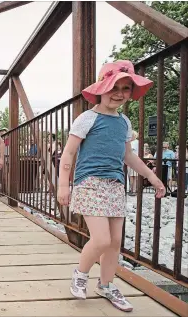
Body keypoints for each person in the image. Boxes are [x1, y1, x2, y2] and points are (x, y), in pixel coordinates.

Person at [57, 60, 165, 312]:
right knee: (102, 239)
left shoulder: (124, 123)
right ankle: (81, 274)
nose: (119, 94)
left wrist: (152, 177)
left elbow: (129, 156)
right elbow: (69, 153)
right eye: (113, 87)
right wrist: (64, 185)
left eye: (126, 88)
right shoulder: (87, 118)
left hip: (115, 184)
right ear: (101, 88)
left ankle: (106, 285)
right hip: (90, 183)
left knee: (115, 241)